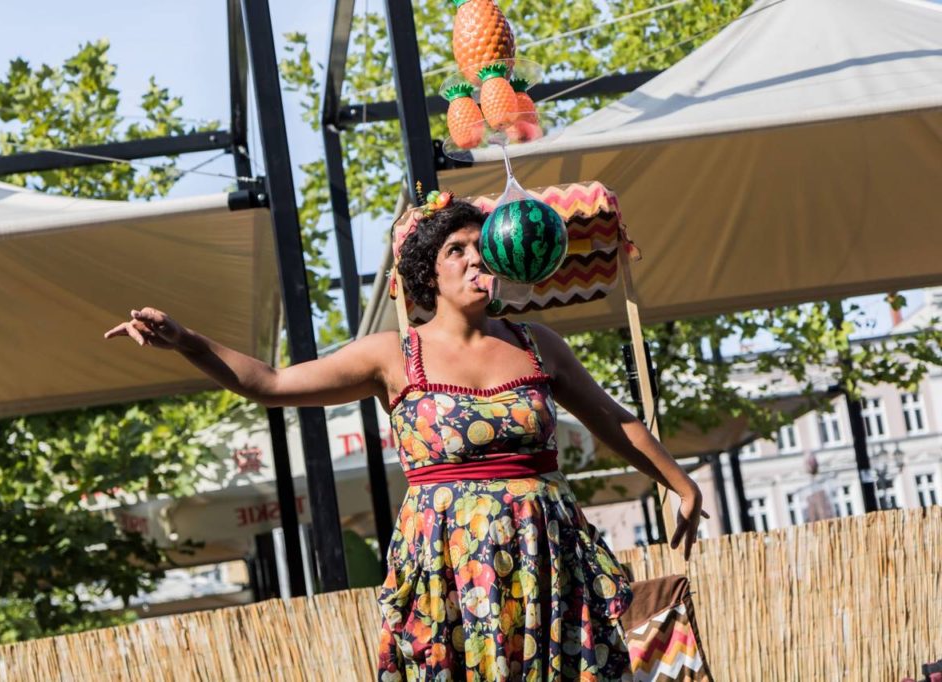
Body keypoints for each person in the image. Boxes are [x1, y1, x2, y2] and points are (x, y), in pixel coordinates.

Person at [104, 195, 704, 682]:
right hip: (448, 566)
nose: (476, 260)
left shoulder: (537, 344)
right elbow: (271, 382)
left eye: (482, 246)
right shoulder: (394, 354)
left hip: (548, 554)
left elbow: (611, 417)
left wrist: (680, 484)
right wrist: (186, 342)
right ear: (429, 272)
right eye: (456, 250)